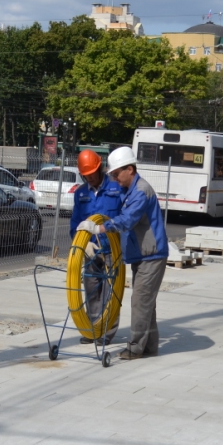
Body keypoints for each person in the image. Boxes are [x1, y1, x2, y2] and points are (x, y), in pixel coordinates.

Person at [76, 146, 169, 360]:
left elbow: (127, 220)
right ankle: (149, 346)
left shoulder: (140, 191)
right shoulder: (129, 190)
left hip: (152, 255)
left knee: (139, 302)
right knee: (146, 303)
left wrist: (98, 228)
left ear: (130, 169)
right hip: (143, 255)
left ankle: (135, 348)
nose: (115, 178)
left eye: (117, 174)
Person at [69, 149, 124, 345]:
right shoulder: (81, 193)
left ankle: (106, 333)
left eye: (92, 173)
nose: (90, 177)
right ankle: (92, 330)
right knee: (92, 291)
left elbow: (123, 218)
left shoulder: (116, 188)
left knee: (111, 293)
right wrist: (83, 244)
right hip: (90, 250)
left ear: (99, 168)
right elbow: (75, 223)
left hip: (111, 250)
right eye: (86, 174)